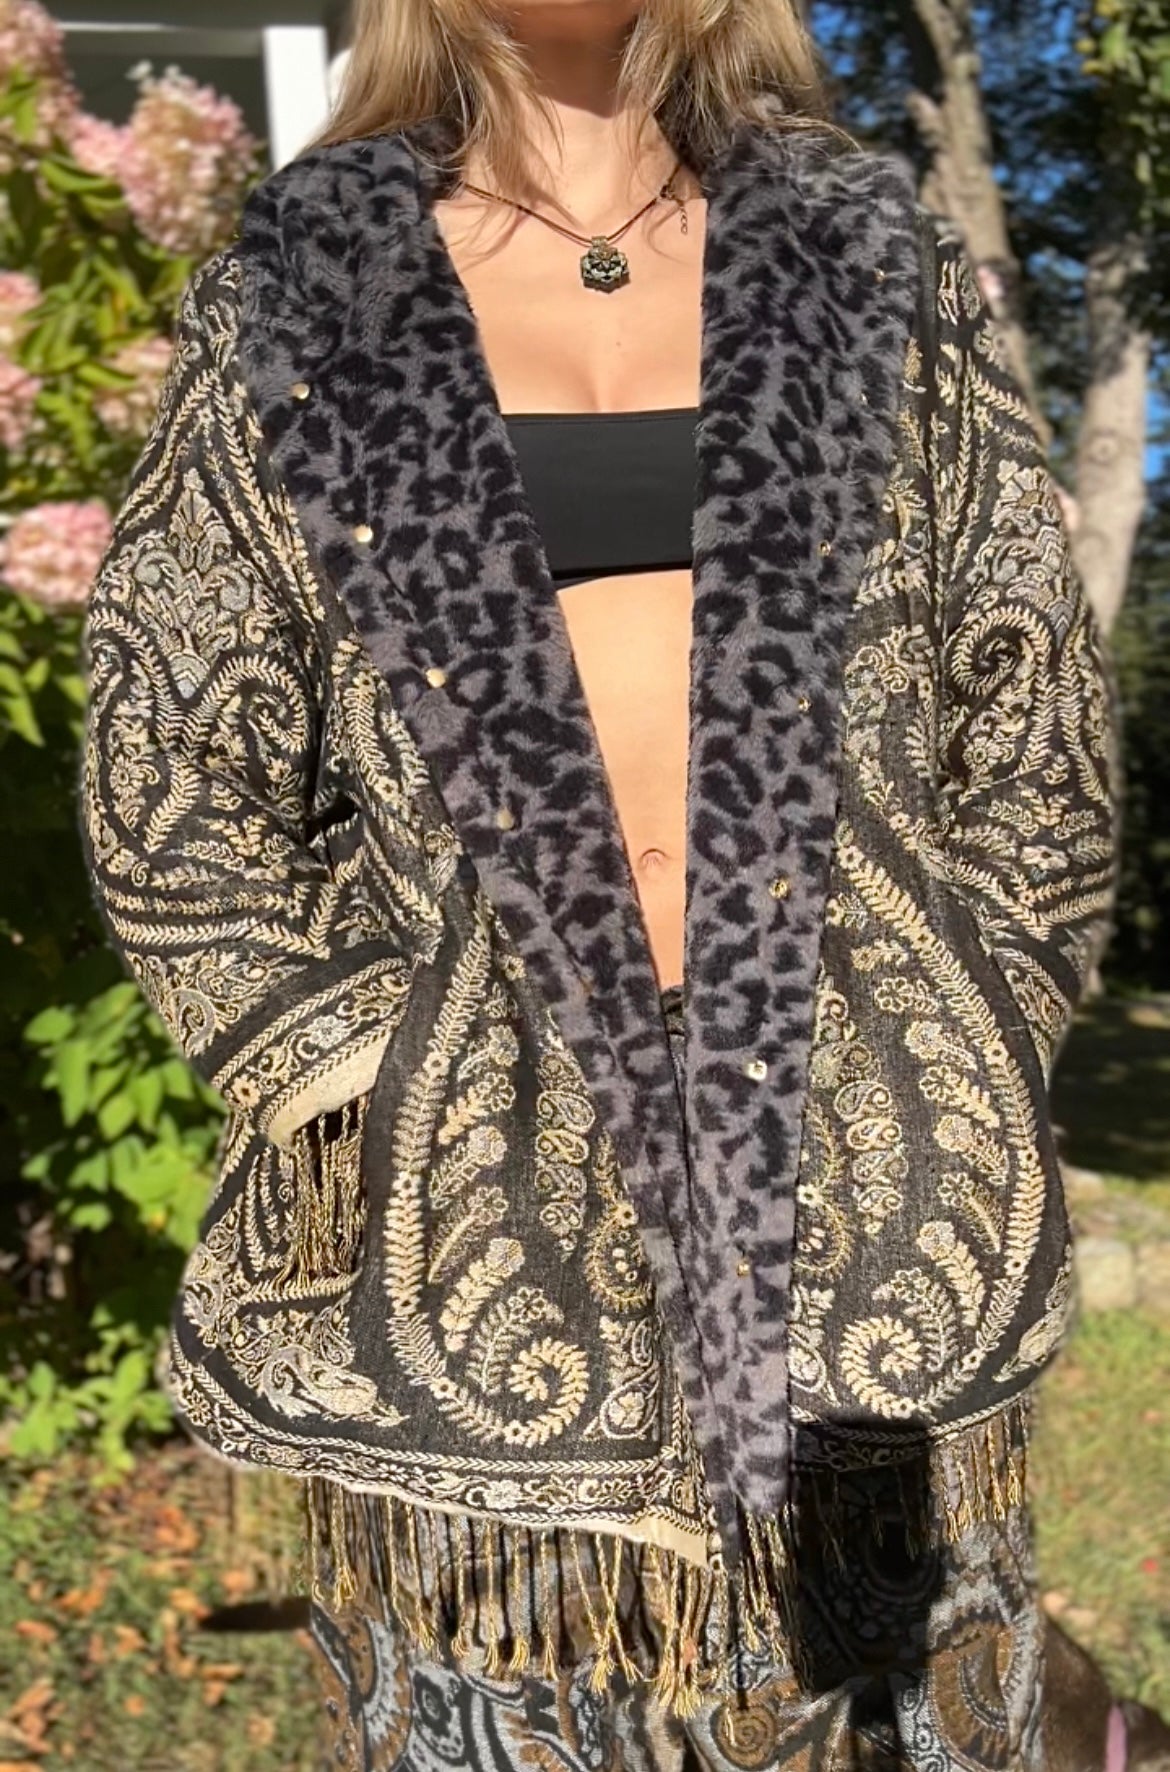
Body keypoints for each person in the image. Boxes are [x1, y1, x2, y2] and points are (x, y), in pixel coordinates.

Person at [77, 0, 1160, 1764]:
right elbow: (172, 746)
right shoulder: (303, 287)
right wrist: (356, 1068)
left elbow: (1028, 712)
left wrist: (967, 1025)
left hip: (872, 1205)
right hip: (471, 1248)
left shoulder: (866, 261)